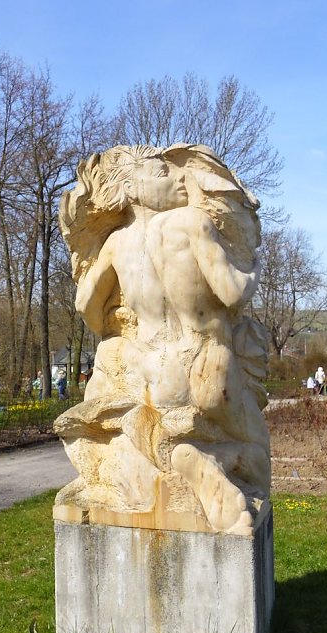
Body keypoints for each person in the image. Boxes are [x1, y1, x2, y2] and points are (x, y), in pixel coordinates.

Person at [55, 143, 269, 534]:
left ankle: (177, 458)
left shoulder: (117, 243)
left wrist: (117, 320)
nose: (177, 179)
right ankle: (211, 461)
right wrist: (252, 269)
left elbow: (86, 304)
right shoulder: (190, 223)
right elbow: (232, 293)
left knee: (133, 428)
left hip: (149, 370)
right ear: (133, 189)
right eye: (161, 173)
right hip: (205, 362)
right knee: (258, 456)